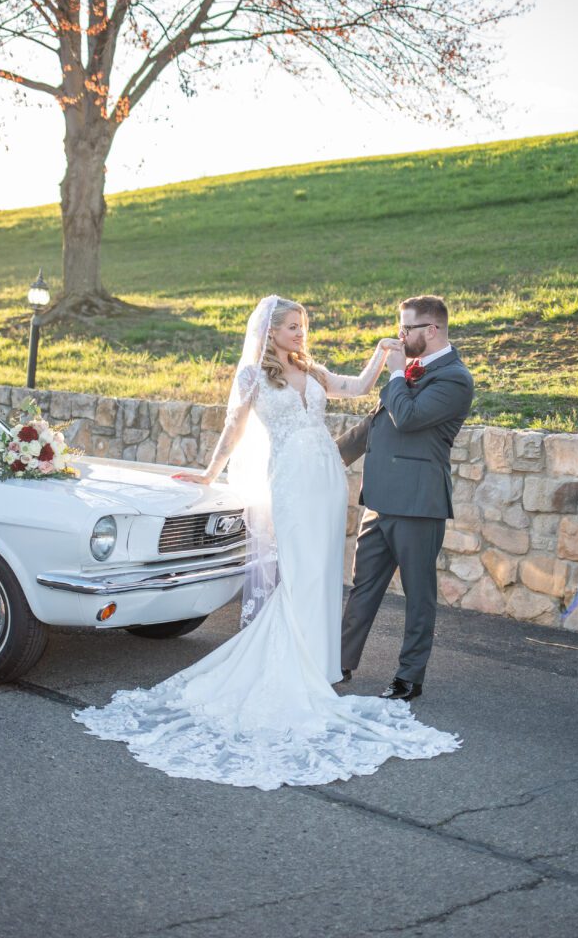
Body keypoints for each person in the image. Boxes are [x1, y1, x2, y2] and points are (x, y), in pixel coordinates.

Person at [72, 295, 460, 790]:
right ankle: (295, 664)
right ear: (270, 331)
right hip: (293, 480)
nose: (301, 334)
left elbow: (357, 388)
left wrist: (383, 357)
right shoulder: (253, 377)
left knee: (323, 572)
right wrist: (208, 472)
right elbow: (234, 428)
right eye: (293, 327)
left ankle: (321, 664)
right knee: (299, 570)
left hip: (326, 479)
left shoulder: (311, 367)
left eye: (303, 326)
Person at [337, 295, 474, 701]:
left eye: (406, 329)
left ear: (431, 330)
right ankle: (339, 663)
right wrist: (324, 458)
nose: (400, 336)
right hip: (379, 501)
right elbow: (373, 427)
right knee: (363, 587)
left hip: (418, 504)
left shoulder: (454, 379)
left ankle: (408, 677)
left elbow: (409, 418)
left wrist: (396, 375)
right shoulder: (409, 372)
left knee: (418, 594)